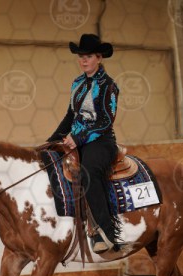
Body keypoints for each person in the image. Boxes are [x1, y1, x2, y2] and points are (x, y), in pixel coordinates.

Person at [47, 33, 120, 254]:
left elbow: (105, 121)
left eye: (88, 56)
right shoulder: (77, 83)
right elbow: (70, 115)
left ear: (99, 58)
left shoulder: (108, 85)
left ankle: (105, 232)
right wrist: (52, 140)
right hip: (76, 140)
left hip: (101, 140)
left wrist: (78, 138)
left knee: (88, 170)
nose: (83, 60)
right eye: (81, 56)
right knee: (48, 159)